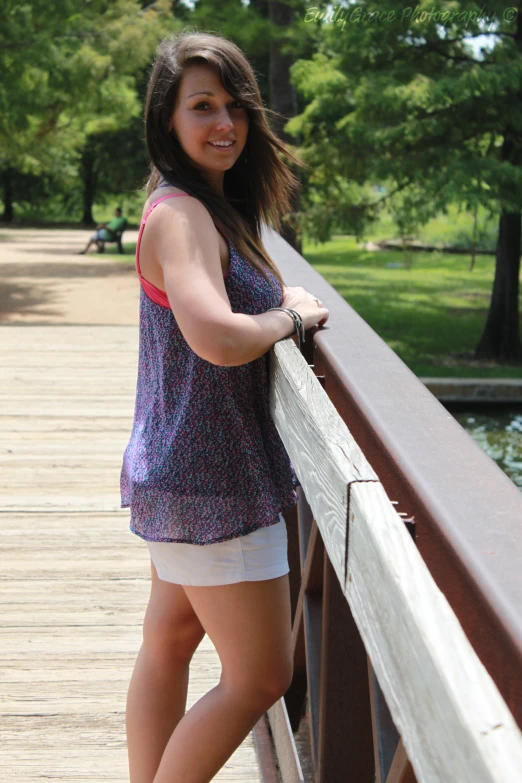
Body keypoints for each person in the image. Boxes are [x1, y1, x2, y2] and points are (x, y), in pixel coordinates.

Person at [120, 30, 329, 783]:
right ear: (166, 122)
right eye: (201, 106)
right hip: (216, 480)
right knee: (260, 677)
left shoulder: (198, 206)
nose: (226, 123)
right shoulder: (182, 214)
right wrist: (290, 317)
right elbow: (215, 335)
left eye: (235, 105)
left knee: (170, 640)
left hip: (182, 467)